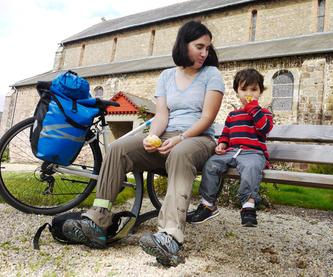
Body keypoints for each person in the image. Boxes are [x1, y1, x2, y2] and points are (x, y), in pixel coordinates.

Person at [63, 20, 225, 265]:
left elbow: (207, 118)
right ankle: (98, 221)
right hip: (168, 138)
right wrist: (154, 137)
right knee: (118, 148)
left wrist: (181, 138)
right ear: (184, 44)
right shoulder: (167, 76)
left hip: (198, 139)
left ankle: (170, 236)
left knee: (180, 152)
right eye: (199, 46)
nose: (205, 53)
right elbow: (161, 116)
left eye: (207, 48)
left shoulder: (211, 74)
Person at [187, 68, 273, 227]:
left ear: (260, 92)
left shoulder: (264, 113)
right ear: (237, 92)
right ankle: (207, 205)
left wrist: (253, 108)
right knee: (211, 164)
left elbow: (264, 128)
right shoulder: (233, 115)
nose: (249, 93)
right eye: (244, 89)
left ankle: (248, 206)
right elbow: (226, 134)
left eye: (254, 89)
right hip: (231, 152)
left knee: (251, 168)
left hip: (252, 153)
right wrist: (222, 144)